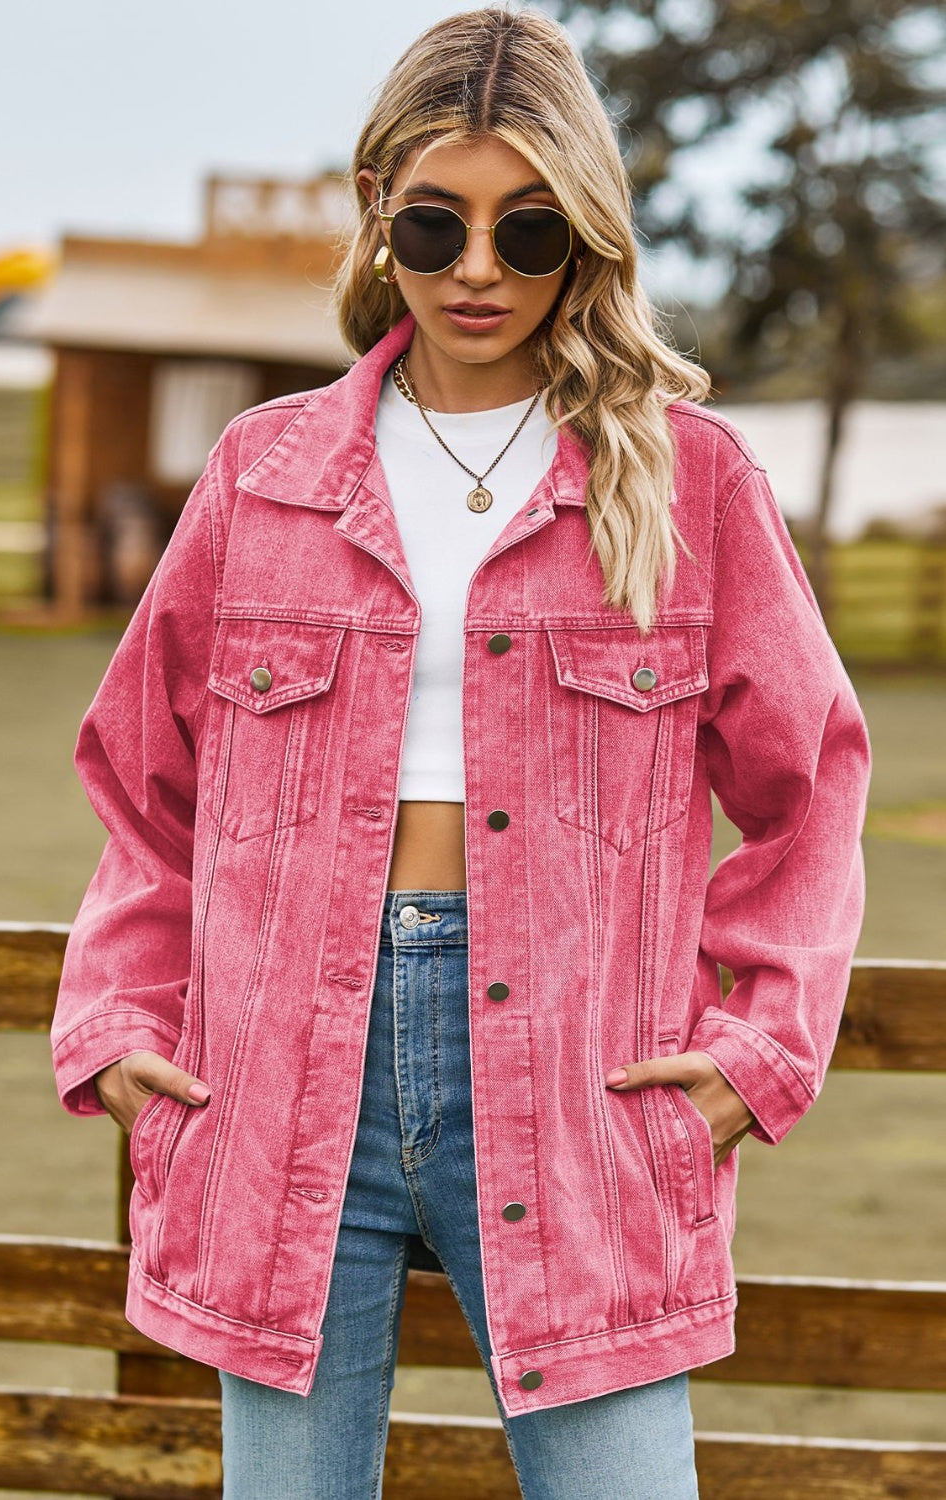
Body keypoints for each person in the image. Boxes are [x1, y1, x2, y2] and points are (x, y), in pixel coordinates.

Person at [50, 7, 871, 1497]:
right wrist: (116, 1014)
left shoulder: (690, 481)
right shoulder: (266, 476)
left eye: (529, 229)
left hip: (585, 1078)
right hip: (281, 1067)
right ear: (380, 219)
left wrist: (761, 1052)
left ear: (588, 236)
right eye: (434, 226)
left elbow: (813, 786)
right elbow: (141, 781)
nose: (478, 269)